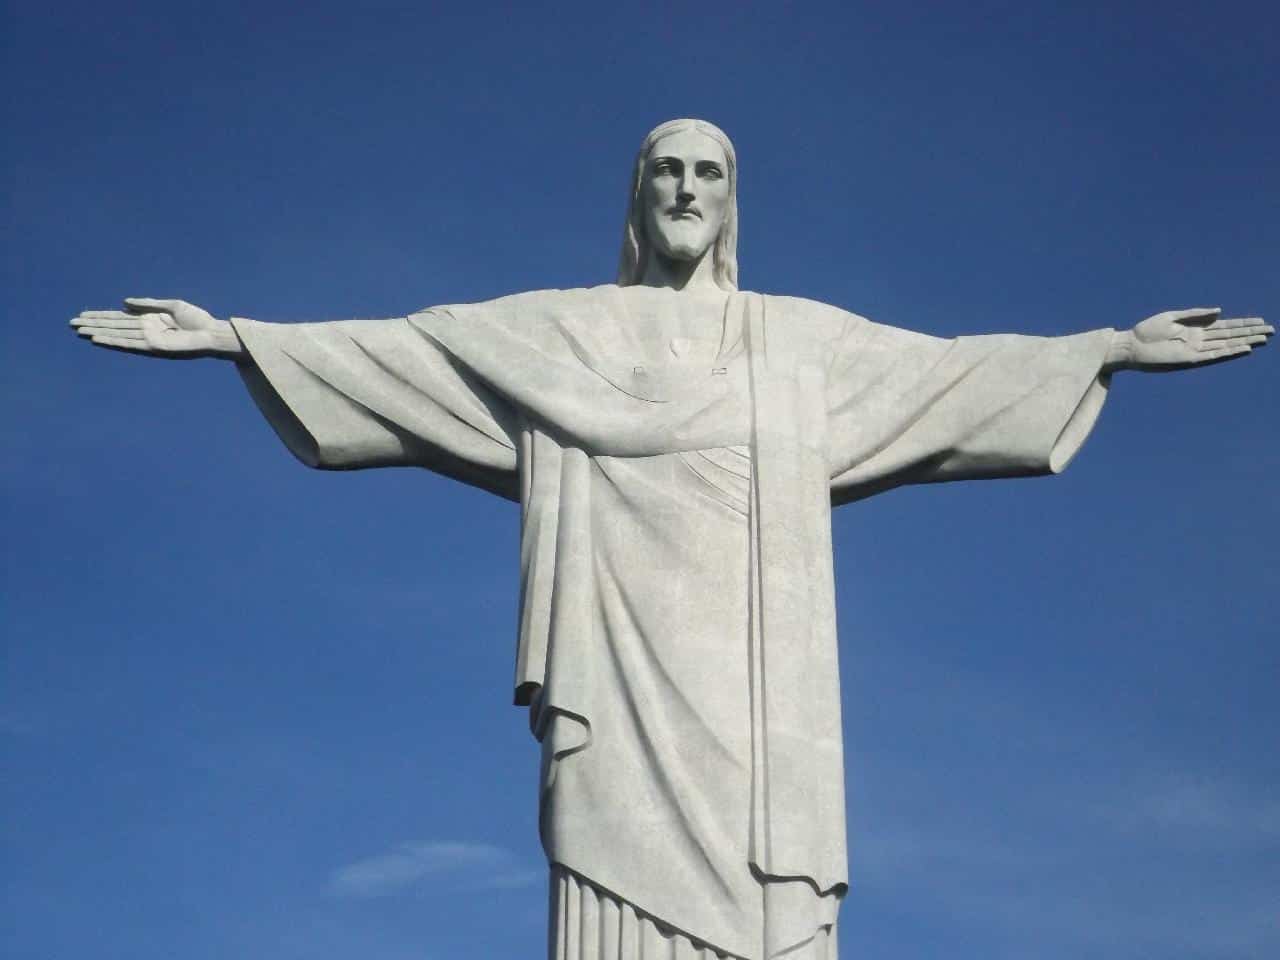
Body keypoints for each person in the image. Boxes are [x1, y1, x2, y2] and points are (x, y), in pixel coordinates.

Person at [71, 118, 1271, 960]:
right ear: (637, 198)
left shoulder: (795, 345)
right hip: (617, 677)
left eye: (708, 172)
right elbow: (409, 352)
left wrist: (1106, 347)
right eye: (665, 172)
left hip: (758, 702)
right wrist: (235, 336)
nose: (687, 190)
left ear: (731, 200)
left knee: (767, 908)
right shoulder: (561, 333)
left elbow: (946, 377)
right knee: (612, 883)